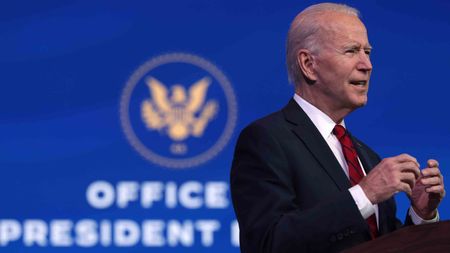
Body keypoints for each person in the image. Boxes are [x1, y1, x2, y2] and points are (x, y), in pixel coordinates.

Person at [230, 3, 446, 253]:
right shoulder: (266, 140)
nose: (367, 64)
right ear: (309, 64)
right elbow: (268, 243)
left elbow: (384, 245)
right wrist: (364, 194)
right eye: (351, 51)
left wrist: (421, 215)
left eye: (368, 51)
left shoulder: (366, 157)